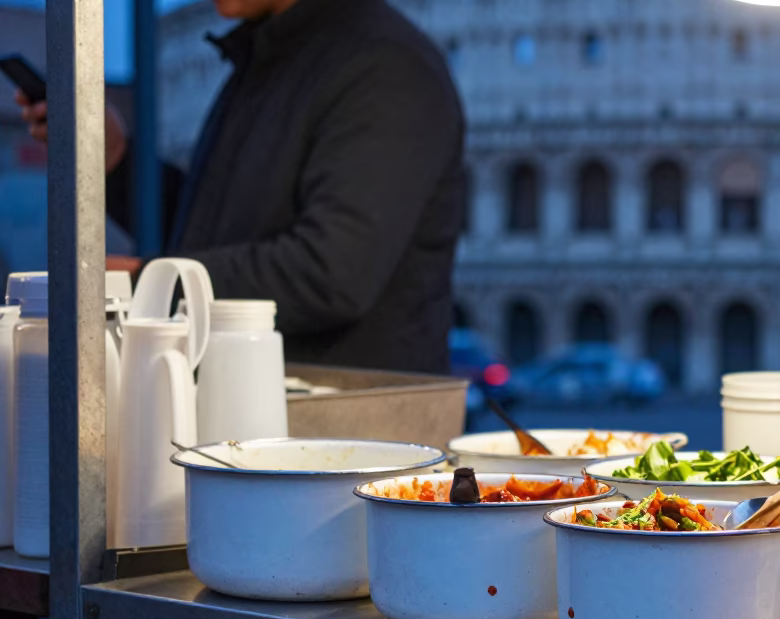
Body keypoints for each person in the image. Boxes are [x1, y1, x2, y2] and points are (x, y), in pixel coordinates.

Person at [17, 0, 464, 373]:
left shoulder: (385, 64)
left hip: (351, 448)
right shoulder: (268, 61)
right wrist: (114, 159)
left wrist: (150, 281)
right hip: (276, 432)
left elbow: (331, 271)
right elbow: (214, 233)